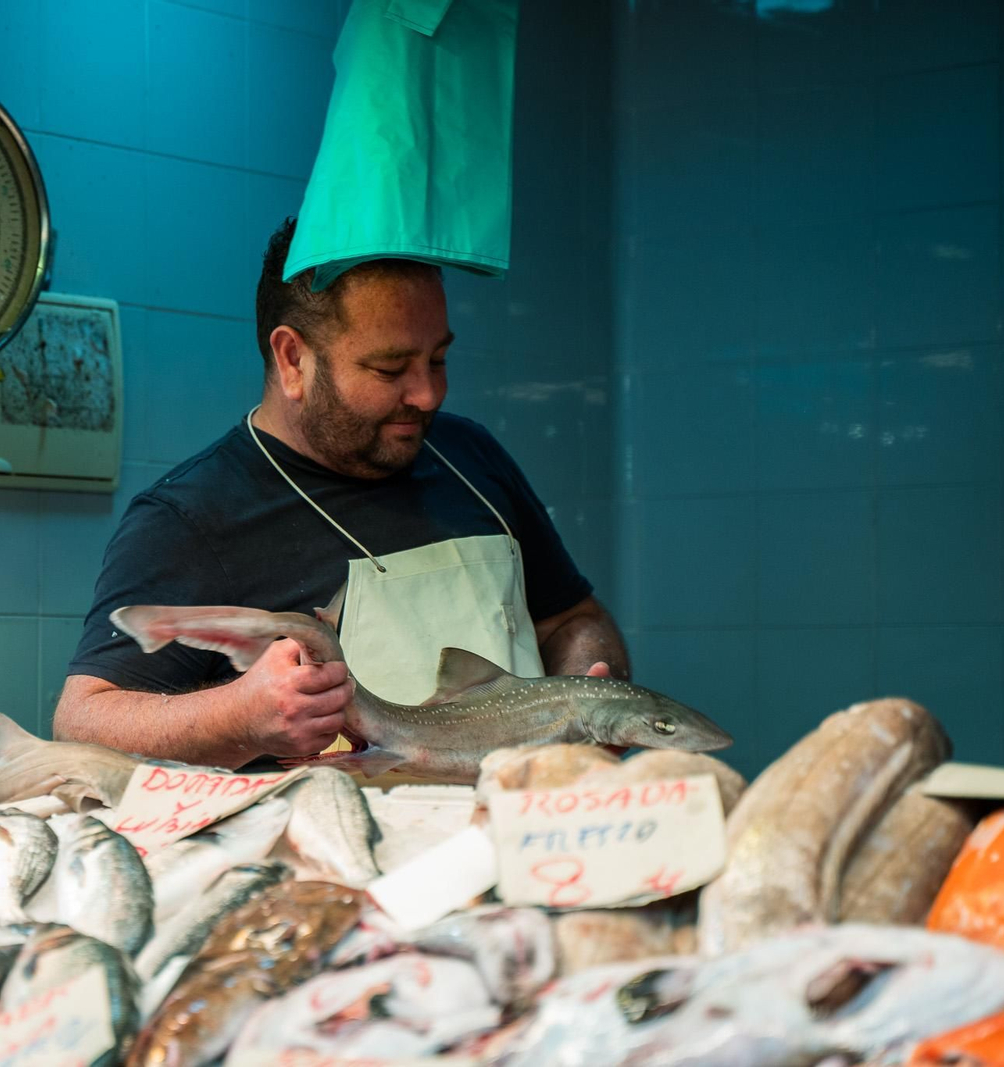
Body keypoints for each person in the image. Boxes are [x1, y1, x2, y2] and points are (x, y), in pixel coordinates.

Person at [52, 217, 629, 767]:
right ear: (293, 359)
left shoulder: (470, 455)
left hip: (525, 838)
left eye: (439, 358)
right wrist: (237, 716)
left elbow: (569, 619)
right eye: (389, 369)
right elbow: (82, 723)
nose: (427, 394)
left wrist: (584, 696)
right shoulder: (189, 515)